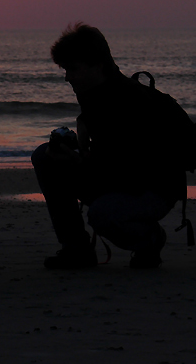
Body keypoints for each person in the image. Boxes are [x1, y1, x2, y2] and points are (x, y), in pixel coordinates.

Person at [31, 22, 185, 269]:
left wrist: (80, 161)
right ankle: (76, 249)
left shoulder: (129, 101)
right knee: (45, 157)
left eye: (73, 69)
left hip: (152, 188)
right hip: (121, 179)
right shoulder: (95, 93)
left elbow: (131, 170)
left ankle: (151, 240)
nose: (67, 77)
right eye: (65, 69)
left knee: (103, 214)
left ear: (98, 65)